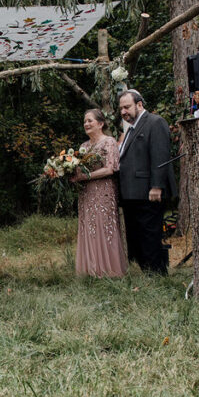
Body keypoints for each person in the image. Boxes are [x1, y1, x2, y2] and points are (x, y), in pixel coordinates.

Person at [117, 90, 176, 274]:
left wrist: (156, 186)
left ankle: (157, 274)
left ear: (139, 104)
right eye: (121, 109)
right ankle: (147, 272)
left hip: (148, 192)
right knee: (138, 236)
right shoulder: (131, 128)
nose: (124, 112)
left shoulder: (155, 122)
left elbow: (160, 155)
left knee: (150, 235)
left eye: (127, 107)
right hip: (132, 193)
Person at [71, 108, 127, 278]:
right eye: (85, 121)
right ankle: (91, 268)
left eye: (90, 120)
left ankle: (109, 270)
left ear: (100, 124)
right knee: (89, 226)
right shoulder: (83, 147)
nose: (86, 124)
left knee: (104, 226)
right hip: (86, 194)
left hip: (104, 191)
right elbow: (79, 170)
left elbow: (110, 168)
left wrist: (86, 177)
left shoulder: (109, 142)